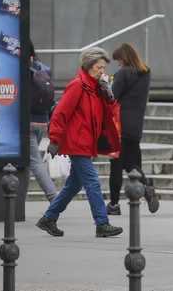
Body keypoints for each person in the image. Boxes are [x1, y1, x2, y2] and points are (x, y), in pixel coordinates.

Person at [36, 47, 124, 238]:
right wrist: (54, 139)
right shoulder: (78, 85)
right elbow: (61, 113)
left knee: (74, 184)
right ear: (89, 65)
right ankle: (102, 223)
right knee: (92, 182)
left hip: (86, 141)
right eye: (99, 67)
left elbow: (108, 115)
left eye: (103, 67)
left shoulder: (94, 87)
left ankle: (48, 218)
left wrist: (108, 95)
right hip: (77, 142)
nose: (102, 71)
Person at [106, 42, 159, 216]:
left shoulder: (123, 73)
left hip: (119, 125)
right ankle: (147, 188)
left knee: (116, 166)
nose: (118, 63)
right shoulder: (146, 73)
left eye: (118, 60)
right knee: (132, 165)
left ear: (124, 58)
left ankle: (114, 205)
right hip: (136, 126)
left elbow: (112, 97)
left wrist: (106, 83)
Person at [29, 42, 58, 203]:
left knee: (34, 162)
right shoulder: (44, 68)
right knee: (26, 161)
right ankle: (17, 199)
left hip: (27, 122)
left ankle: (54, 198)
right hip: (42, 122)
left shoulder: (19, 68)